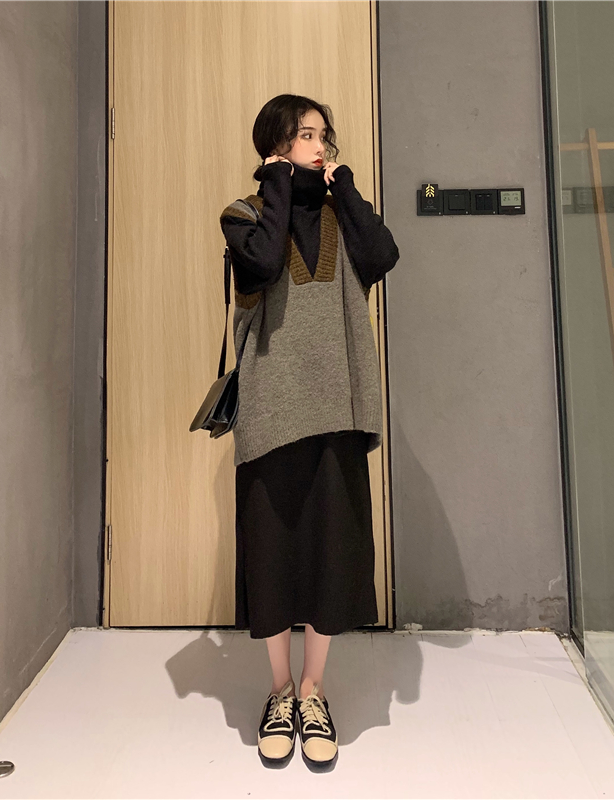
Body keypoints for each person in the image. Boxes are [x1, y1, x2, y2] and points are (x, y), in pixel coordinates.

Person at [218, 94, 400, 771]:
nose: (319, 145)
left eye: (324, 135)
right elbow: (264, 265)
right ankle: (280, 691)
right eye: (303, 135)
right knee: (273, 555)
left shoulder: (342, 215)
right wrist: (274, 184)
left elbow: (382, 254)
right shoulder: (244, 216)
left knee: (332, 553)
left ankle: (314, 690)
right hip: (272, 413)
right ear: (275, 143)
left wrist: (343, 186)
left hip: (341, 409)